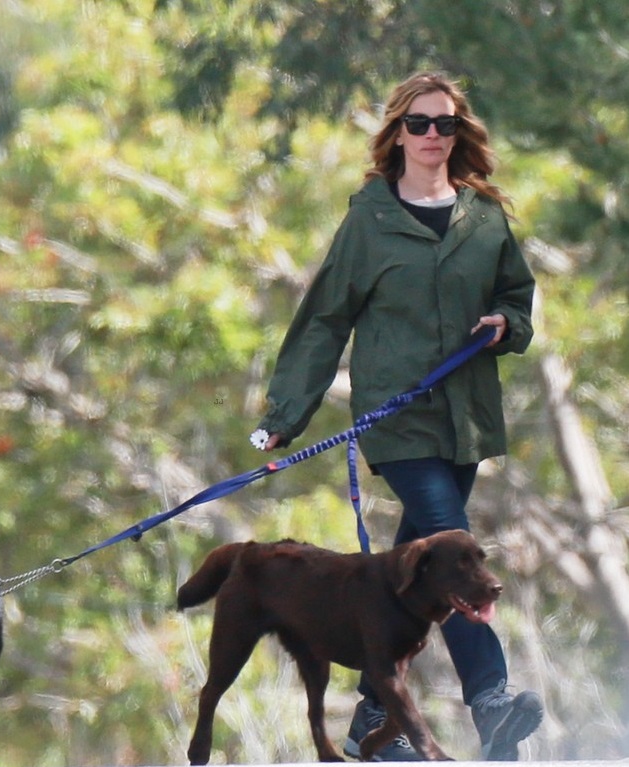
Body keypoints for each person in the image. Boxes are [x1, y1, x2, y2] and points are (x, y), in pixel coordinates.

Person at [254, 72, 543, 760]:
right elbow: (324, 319)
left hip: (465, 416)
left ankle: (372, 719)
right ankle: (490, 702)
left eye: (444, 124)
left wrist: (506, 323)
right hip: (399, 417)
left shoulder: (482, 218)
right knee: (450, 551)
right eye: (419, 124)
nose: (432, 136)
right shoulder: (368, 219)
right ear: (396, 133)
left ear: (457, 132)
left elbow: (518, 298)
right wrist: (283, 414)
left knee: (411, 571)